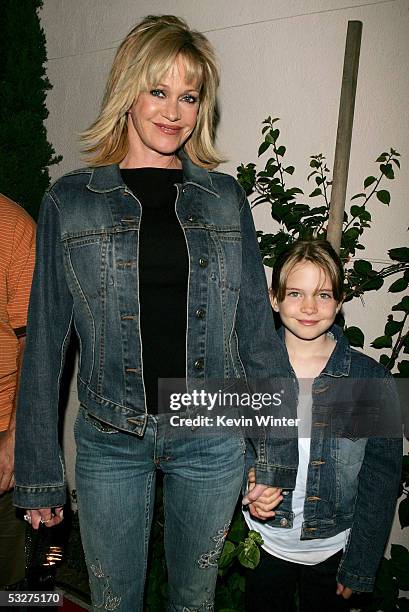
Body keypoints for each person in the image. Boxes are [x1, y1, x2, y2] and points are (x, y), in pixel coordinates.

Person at [14, 15, 296, 611]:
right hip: (111, 437)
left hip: (210, 434)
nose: (173, 111)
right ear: (128, 92)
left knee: (194, 602)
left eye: (188, 96)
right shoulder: (70, 201)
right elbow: (43, 346)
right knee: (115, 602)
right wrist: (39, 470)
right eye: (158, 90)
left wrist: (273, 452)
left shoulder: (224, 201)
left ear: (201, 107)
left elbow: (257, 337)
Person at [244, 239, 402, 612]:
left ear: (340, 300)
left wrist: (361, 565)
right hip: (263, 545)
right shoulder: (247, 373)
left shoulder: (371, 381)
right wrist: (247, 481)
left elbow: (381, 480)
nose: (310, 307)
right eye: (296, 293)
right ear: (274, 298)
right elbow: (227, 449)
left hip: (334, 551)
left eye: (324, 294)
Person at [0, 193, 36, 588]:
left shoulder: (12, 225)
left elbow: (36, 342)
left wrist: (15, 437)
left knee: (10, 584)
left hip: (0, 426)